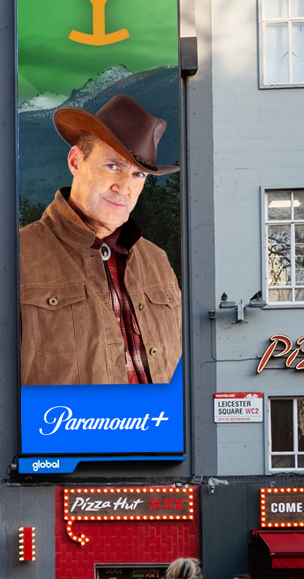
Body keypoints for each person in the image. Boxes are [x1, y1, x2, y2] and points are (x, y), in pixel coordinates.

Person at [19, 94, 182, 387]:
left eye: (138, 174)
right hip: (63, 431)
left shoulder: (157, 261)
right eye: (113, 166)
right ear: (75, 161)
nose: (125, 187)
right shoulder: (17, 254)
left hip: (157, 432)